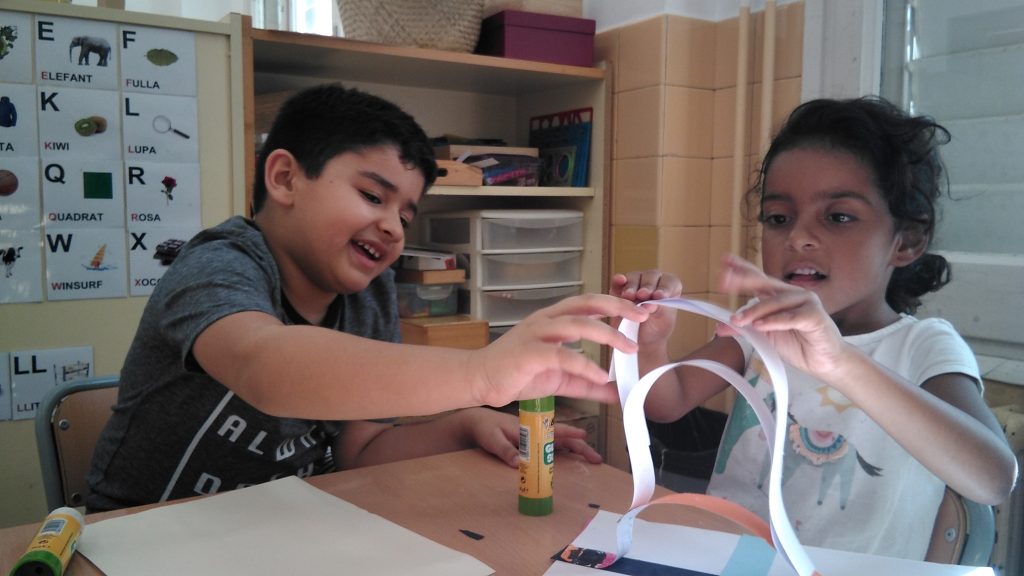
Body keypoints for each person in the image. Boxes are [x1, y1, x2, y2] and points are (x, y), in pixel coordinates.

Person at [86, 83, 649, 512]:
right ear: (284, 178)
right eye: (373, 196)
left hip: (277, 530)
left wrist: (466, 423)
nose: (393, 227)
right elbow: (266, 367)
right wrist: (481, 373)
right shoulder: (217, 264)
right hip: (138, 534)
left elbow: (361, 450)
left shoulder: (370, 295)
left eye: (406, 215)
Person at [612, 97, 1017, 560]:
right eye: (778, 218)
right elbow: (667, 402)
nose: (798, 237)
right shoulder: (760, 323)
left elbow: (993, 478)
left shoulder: (924, 346)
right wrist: (652, 341)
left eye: (838, 217)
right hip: (736, 562)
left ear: (906, 241)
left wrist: (839, 362)